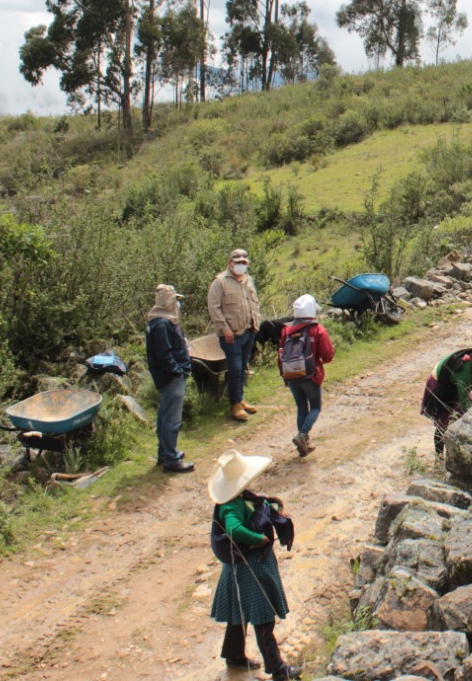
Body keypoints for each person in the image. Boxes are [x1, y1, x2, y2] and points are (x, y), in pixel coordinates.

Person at [208, 450, 301, 681]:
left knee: (237, 613)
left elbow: (258, 507)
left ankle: (234, 656)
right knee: (263, 619)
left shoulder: (241, 498)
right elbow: (233, 529)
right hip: (250, 569)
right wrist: (258, 539)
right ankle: (279, 671)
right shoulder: (231, 506)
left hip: (243, 568)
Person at [208, 248, 261, 422]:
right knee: (235, 368)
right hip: (231, 335)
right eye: (237, 262)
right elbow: (214, 308)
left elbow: (254, 302)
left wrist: (256, 322)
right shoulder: (220, 282)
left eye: (243, 262)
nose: (240, 265)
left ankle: (240, 398)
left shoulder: (248, 280)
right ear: (230, 263)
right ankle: (234, 405)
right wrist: (225, 329)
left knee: (243, 366)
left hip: (248, 330)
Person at [145, 284, 193, 473]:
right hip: (171, 377)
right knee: (171, 419)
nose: (178, 304)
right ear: (168, 302)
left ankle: (165, 453)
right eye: (176, 300)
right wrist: (178, 371)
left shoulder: (158, 322)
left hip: (167, 376)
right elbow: (164, 355)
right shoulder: (163, 324)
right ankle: (171, 460)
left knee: (164, 416)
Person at [279, 294, 335, 457]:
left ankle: (303, 443)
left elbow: (281, 354)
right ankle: (302, 435)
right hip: (311, 376)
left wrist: (285, 376)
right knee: (315, 407)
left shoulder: (286, 330)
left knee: (301, 408)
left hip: (291, 375)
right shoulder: (317, 330)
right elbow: (328, 355)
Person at [420, 349, 472, 455]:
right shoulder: (464, 375)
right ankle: (439, 456)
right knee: (445, 421)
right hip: (441, 383)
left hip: (456, 382)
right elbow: (464, 402)